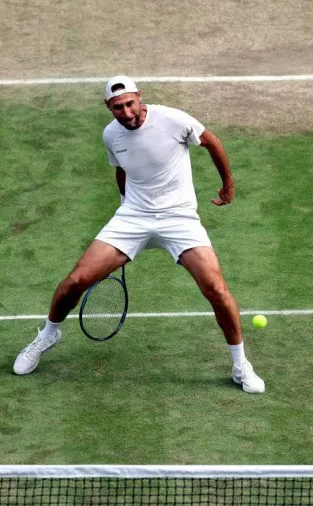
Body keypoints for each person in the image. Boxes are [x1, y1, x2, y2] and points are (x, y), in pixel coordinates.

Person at [13, 76, 266, 392]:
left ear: (139, 98)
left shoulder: (173, 120)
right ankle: (48, 336)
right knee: (76, 281)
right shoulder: (110, 135)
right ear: (109, 107)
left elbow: (212, 142)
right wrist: (124, 205)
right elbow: (122, 167)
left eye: (130, 103)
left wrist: (228, 186)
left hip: (179, 218)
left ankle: (241, 366)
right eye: (118, 107)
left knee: (216, 288)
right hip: (133, 218)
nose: (126, 112)